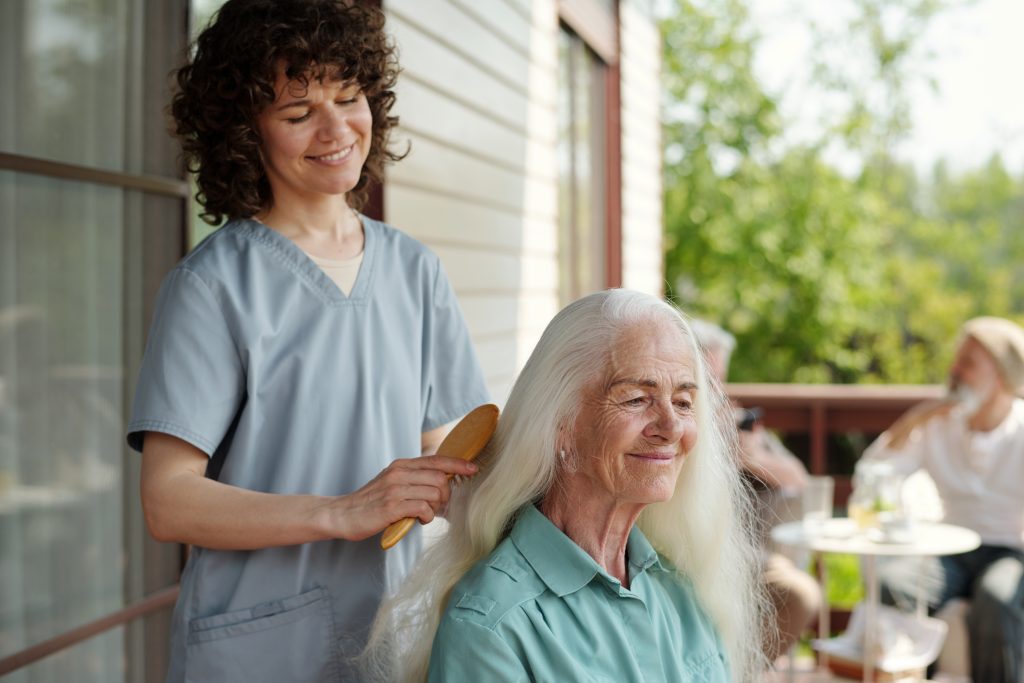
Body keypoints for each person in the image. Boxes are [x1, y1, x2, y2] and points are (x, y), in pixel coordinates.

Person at [126, 2, 489, 681]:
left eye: (349, 98)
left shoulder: (416, 270)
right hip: (257, 644)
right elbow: (167, 498)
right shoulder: (212, 286)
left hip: (386, 631)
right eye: (298, 114)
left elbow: (445, 449)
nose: (336, 129)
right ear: (245, 133)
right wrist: (345, 509)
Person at [362, 290, 769, 682]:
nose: (671, 427)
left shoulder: (678, 584)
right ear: (560, 427)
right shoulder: (493, 625)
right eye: (635, 399)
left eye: (683, 402)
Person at [861, 316, 1024, 683]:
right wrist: (915, 419)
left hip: (1009, 551)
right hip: (948, 547)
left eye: (967, 363)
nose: (954, 370)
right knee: (895, 583)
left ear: (999, 376)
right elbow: (873, 472)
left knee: (998, 599)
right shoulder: (937, 424)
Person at [689, 319, 821, 663]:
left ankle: (738, 670)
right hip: (694, 550)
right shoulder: (676, 425)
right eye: (706, 379)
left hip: (747, 552)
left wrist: (752, 458)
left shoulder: (734, 420)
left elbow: (799, 479)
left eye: (718, 379)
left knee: (801, 593)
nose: (714, 390)